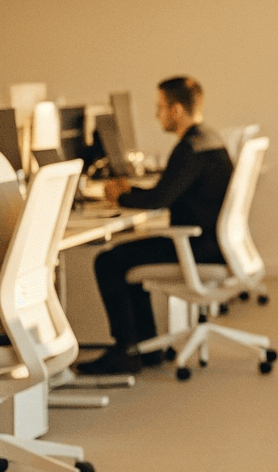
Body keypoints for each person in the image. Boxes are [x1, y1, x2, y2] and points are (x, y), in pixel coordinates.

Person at [76, 76, 233, 375]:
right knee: (126, 256)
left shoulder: (189, 148)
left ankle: (126, 350)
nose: (156, 114)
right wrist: (130, 191)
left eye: (159, 107)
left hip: (197, 247)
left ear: (176, 110)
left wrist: (120, 195)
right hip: (213, 243)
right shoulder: (209, 140)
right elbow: (168, 190)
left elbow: (159, 199)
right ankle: (149, 346)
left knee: (109, 261)